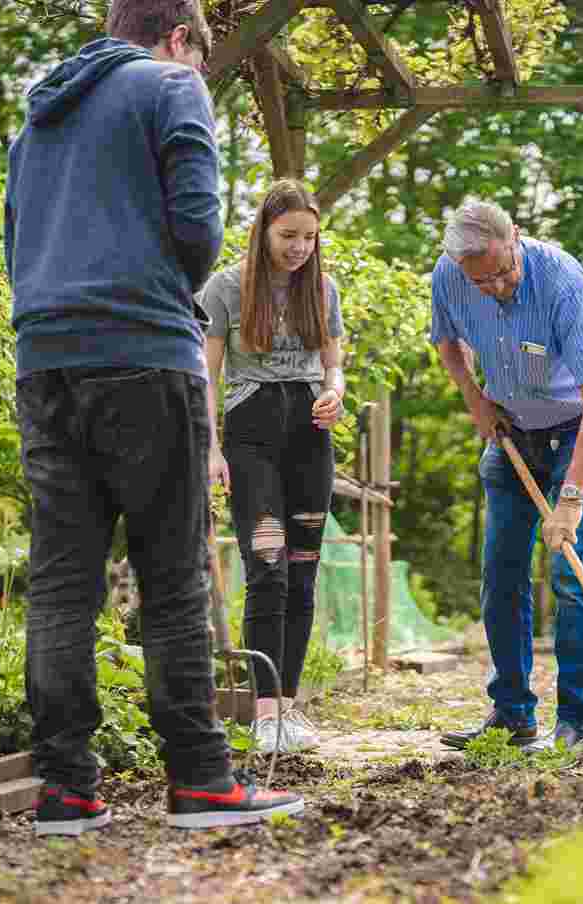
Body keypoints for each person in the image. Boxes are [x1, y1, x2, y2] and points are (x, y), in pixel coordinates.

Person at [4, 0, 302, 836]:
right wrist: (156, 294)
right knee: (172, 575)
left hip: (45, 363)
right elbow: (199, 230)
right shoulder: (171, 86)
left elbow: (14, 243)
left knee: (62, 580)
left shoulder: (38, 116)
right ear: (178, 38)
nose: (198, 70)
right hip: (142, 356)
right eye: (199, 55)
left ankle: (65, 790)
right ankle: (201, 781)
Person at [430, 200, 583, 753]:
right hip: (513, 429)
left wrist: (570, 500)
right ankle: (512, 713)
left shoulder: (562, 283)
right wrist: (476, 401)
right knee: (501, 572)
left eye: (503, 270)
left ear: (515, 236)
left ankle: (580, 722)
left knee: (570, 572)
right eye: (481, 281)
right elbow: (446, 342)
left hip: (578, 428)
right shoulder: (450, 275)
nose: (496, 286)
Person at [199, 180, 345, 755]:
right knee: (267, 568)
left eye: (309, 237)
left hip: (310, 440)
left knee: (303, 574)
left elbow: (334, 365)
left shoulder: (323, 289)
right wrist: (211, 447)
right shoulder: (225, 289)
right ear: (263, 231)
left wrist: (334, 391)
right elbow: (206, 375)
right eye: (288, 235)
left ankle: (288, 707)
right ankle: (264, 716)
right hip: (251, 439)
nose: (299, 247)